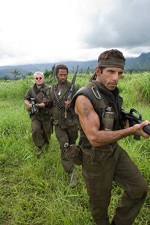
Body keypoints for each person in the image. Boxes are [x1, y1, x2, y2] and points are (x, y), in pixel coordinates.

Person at [71, 49, 149, 225]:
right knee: (100, 207)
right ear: (98, 71)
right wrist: (131, 131)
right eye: (111, 72)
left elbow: (112, 121)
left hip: (113, 150)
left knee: (139, 189)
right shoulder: (85, 97)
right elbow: (94, 138)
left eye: (120, 73)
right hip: (95, 158)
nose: (116, 78)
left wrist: (126, 124)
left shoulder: (110, 92)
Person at [50, 64, 79, 188]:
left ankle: (74, 161)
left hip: (72, 123)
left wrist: (71, 105)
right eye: (61, 74)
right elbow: (50, 103)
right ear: (56, 75)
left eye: (65, 74)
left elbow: (81, 105)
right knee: (64, 146)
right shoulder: (52, 89)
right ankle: (72, 174)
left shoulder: (75, 88)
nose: (63, 77)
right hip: (59, 124)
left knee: (72, 146)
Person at [24, 71, 52, 157]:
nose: (39, 80)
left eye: (40, 78)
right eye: (37, 78)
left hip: (45, 114)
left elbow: (47, 102)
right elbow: (25, 99)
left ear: (43, 78)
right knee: (36, 130)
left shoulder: (48, 89)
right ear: (34, 79)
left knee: (47, 131)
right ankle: (40, 147)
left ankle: (46, 144)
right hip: (35, 114)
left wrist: (38, 105)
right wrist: (29, 105)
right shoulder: (31, 89)